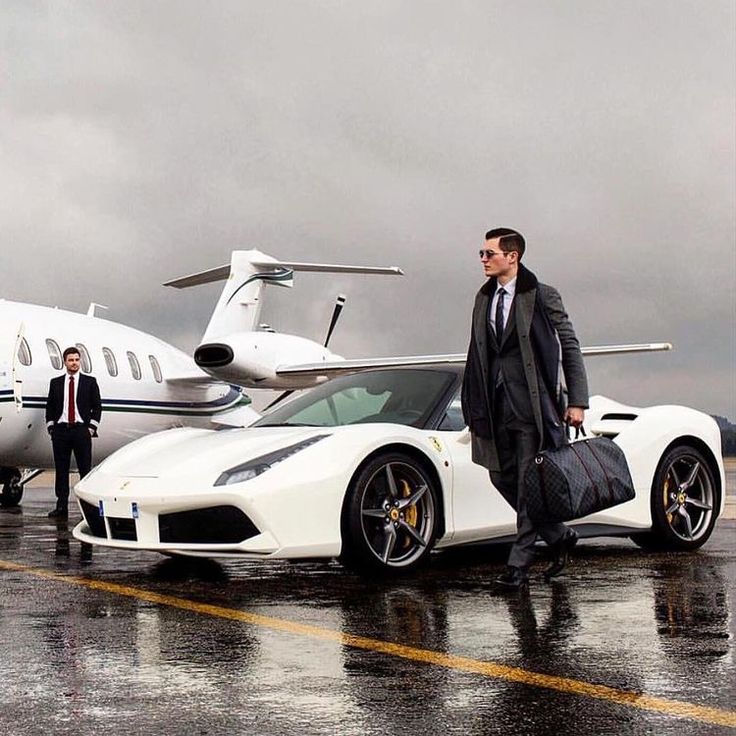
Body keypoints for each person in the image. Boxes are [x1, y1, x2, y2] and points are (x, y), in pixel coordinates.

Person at [461, 227, 589, 590]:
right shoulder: (483, 298)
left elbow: (570, 345)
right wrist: (471, 405)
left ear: (512, 256)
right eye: (482, 254)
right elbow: (477, 354)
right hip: (494, 406)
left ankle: (517, 567)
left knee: (529, 484)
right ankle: (559, 536)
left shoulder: (542, 295)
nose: (483, 259)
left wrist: (577, 400)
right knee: (500, 476)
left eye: (489, 253)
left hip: (534, 408)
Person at [45, 346, 102, 518]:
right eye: (71, 360)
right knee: (61, 470)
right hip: (61, 432)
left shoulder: (89, 382)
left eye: (77, 360)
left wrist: (91, 428)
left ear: (80, 361)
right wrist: (51, 426)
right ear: (65, 362)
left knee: (84, 469)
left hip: (81, 431)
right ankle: (61, 506)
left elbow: (97, 407)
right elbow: (50, 406)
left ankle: (88, 507)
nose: (74, 363)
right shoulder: (55, 383)